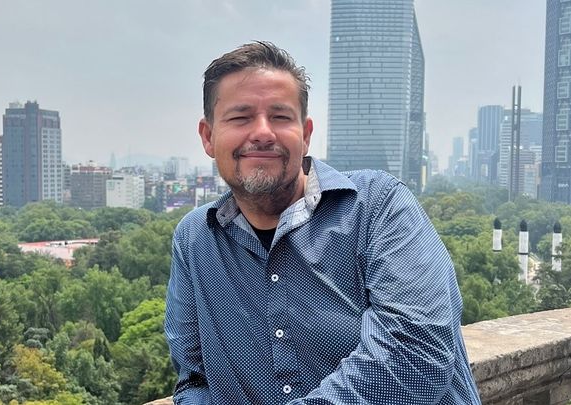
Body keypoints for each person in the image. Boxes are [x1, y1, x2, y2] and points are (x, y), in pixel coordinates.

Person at [164, 41, 481, 404]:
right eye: (241, 117)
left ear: (306, 134)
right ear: (208, 136)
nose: (263, 132)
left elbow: (415, 356)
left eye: (280, 116)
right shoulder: (195, 240)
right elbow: (195, 380)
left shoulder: (377, 205)